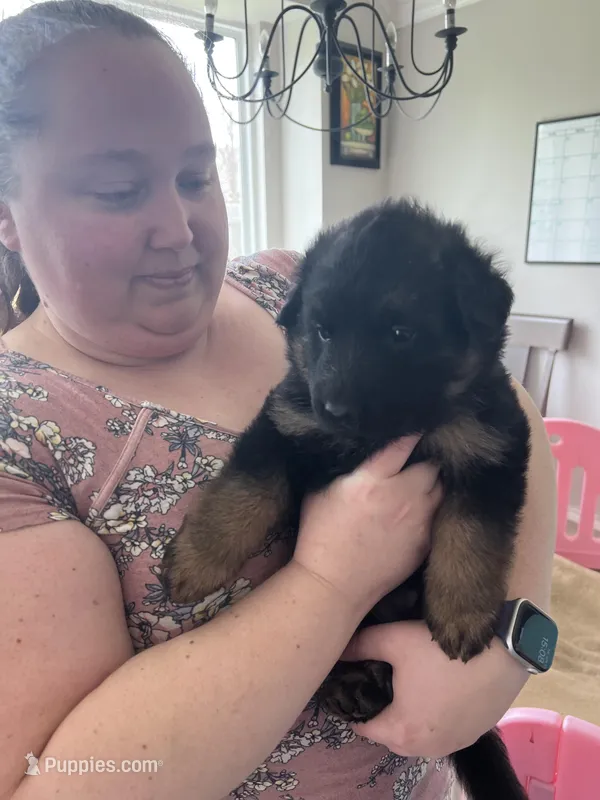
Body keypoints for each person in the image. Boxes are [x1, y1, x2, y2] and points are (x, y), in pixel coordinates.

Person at [0, 2, 556, 799]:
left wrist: (505, 647)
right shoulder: (18, 430)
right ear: (7, 216)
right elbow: (54, 785)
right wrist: (332, 583)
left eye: (197, 176)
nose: (179, 227)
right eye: (119, 190)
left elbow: (509, 411)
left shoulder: (292, 283)